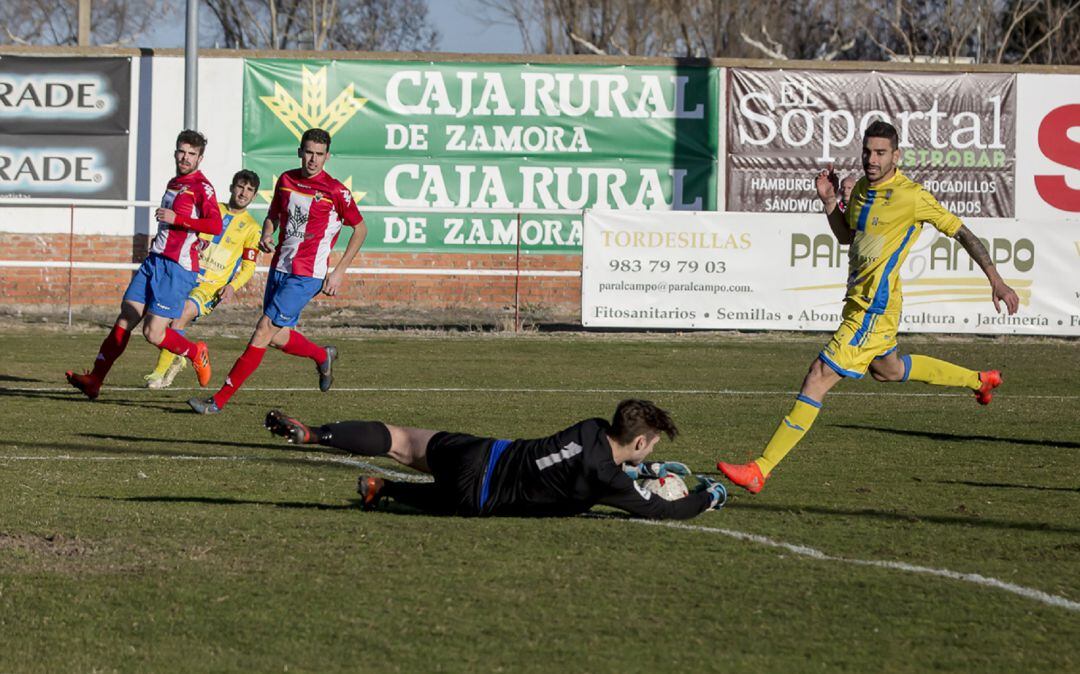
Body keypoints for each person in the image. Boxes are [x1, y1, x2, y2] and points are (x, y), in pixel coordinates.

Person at [717, 120, 1021, 494]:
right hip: (863, 303)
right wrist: (830, 202)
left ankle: (760, 469)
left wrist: (995, 279)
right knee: (888, 370)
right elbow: (848, 236)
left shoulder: (912, 196)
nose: (871, 160)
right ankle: (980, 380)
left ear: (897, 155)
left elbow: (962, 233)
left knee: (818, 376)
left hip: (873, 309)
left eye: (880, 153)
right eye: (867, 152)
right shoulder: (860, 189)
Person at [262, 399, 727, 519]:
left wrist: (643, 468)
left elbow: (586, 456)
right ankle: (385, 493)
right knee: (450, 500)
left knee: (399, 440)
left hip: (481, 452)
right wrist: (711, 496)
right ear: (641, 441)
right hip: (478, 495)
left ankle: (317, 433)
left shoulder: (590, 428)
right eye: (652, 448)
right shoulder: (609, 481)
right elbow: (664, 509)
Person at [188, 128, 367, 414]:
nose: (313, 159)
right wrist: (267, 234)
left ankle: (218, 400)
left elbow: (360, 228)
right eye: (308, 152)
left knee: (263, 330)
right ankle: (323, 356)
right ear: (300, 151)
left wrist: (339, 272)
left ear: (327, 156)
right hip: (280, 267)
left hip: (307, 274)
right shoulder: (286, 180)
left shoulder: (335, 191)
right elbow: (273, 215)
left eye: (319, 154)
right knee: (275, 336)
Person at [66, 130, 223, 400]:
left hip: (177, 268)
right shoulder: (175, 182)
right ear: (176, 152)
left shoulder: (202, 187)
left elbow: (214, 224)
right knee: (126, 317)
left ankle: (195, 352)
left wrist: (179, 220)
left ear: (200, 158)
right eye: (181, 151)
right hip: (154, 261)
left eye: (191, 154)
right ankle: (95, 380)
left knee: (153, 333)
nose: (185, 157)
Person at [144, 169, 263, 389]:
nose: (243, 193)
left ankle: (158, 375)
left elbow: (248, 267)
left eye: (249, 190)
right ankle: (181, 353)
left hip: (212, 287)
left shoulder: (252, 228)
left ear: (254, 196)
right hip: (186, 272)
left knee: (179, 317)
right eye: (240, 186)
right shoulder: (212, 209)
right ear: (231, 187)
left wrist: (232, 286)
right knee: (157, 322)